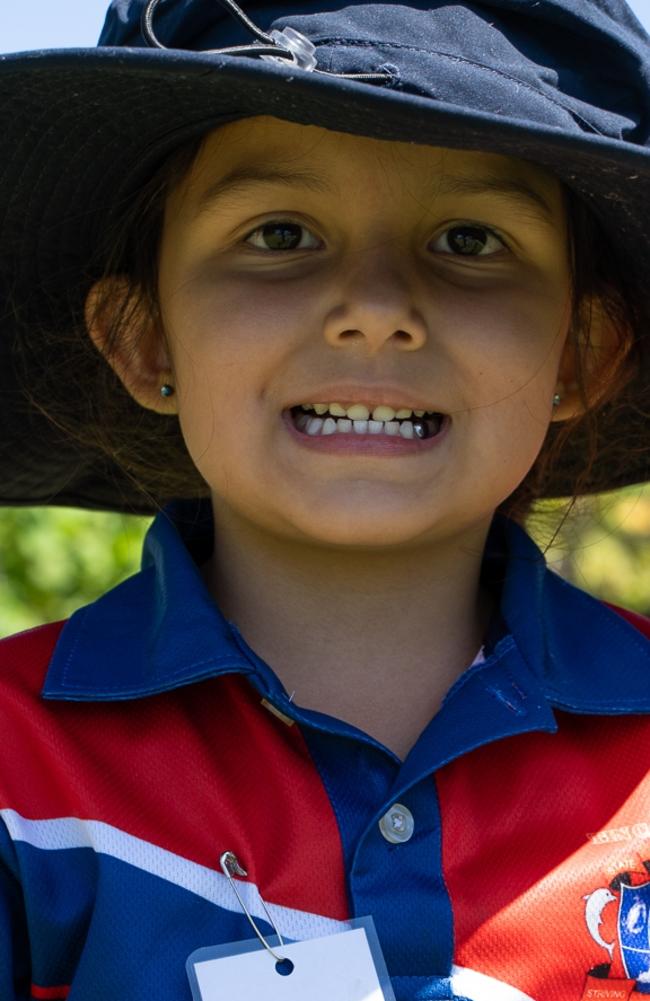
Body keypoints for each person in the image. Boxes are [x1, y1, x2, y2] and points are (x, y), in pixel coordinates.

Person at [0, 0, 649, 998]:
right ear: (144, 337)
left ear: (581, 350)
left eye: (469, 240)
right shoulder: (17, 776)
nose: (377, 309)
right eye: (281, 232)